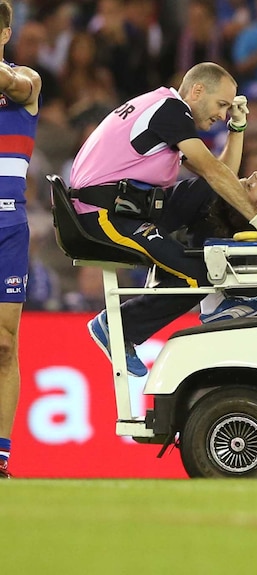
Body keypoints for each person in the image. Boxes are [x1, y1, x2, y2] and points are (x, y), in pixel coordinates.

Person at [69, 62, 257, 378]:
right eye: (221, 105)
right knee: (201, 274)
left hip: (130, 206)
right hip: (104, 215)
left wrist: (237, 129)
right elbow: (216, 172)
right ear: (197, 91)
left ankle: (221, 287)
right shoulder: (171, 111)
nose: (221, 114)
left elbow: (215, 179)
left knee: (206, 192)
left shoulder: (165, 108)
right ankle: (119, 327)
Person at [1, 0, 43, 478]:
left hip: (8, 225)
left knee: (5, 346)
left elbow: (15, 84)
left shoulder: (24, 81)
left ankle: (0, 457)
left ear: (6, 33)